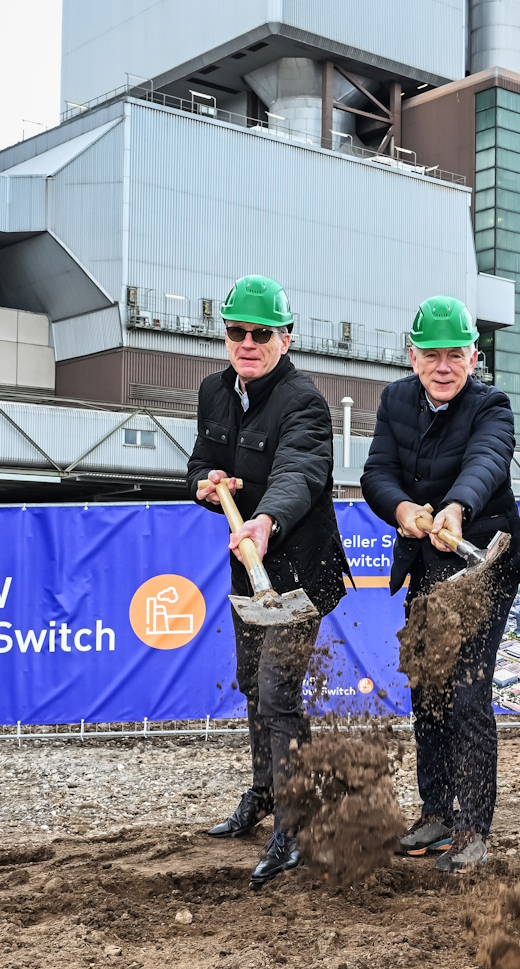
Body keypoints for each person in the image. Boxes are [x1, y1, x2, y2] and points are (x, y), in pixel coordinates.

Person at [189, 274, 349, 887]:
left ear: (286, 337)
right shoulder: (213, 392)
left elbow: (301, 472)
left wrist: (264, 520)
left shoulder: (304, 401)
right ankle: (263, 793)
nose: (248, 343)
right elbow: (200, 461)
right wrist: (205, 484)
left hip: (298, 570)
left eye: (262, 333)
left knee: (278, 689)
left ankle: (296, 820)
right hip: (245, 566)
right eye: (237, 332)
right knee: (251, 684)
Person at [361, 295, 520, 872]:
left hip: (482, 562)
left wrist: (456, 507)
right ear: (412, 356)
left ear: (473, 358)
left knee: (467, 692)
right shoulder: (395, 401)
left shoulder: (493, 406)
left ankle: (474, 827)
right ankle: (435, 812)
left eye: (454, 354)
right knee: (427, 688)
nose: (442, 365)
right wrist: (404, 509)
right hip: (428, 568)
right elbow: (376, 471)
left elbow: (487, 460)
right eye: (431, 354)